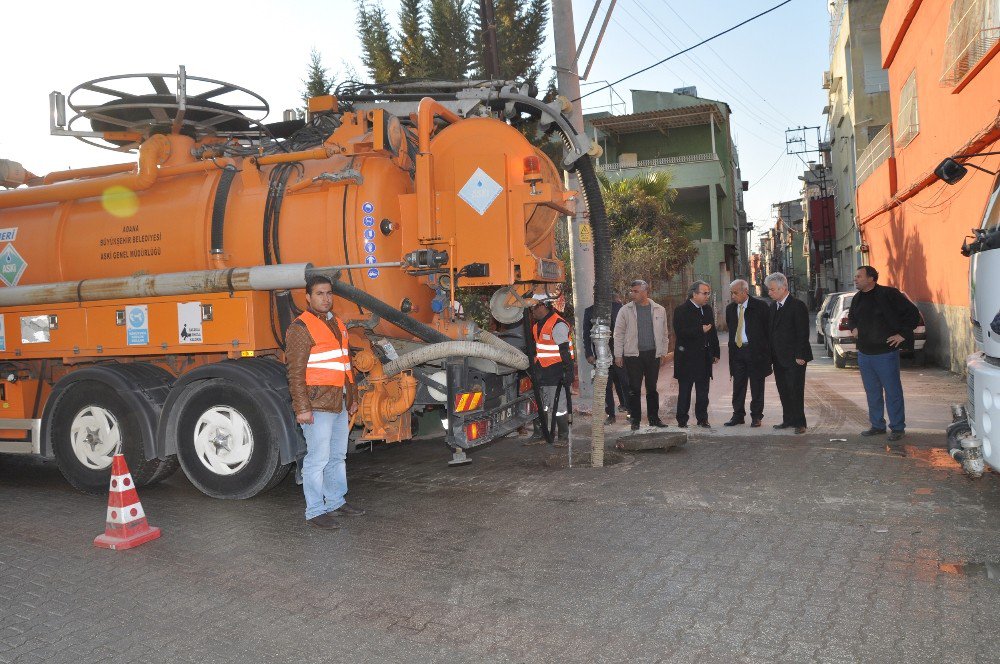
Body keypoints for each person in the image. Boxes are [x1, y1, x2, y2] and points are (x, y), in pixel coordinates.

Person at [285, 275, 363, 529]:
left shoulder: (337, 324)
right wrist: (302, 408)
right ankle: (315, 510)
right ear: (307, 297)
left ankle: (336, 501)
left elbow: (346, 364)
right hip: (317, 405)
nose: (325, 298)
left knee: (337, 456)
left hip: (338, 402)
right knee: (318, 458)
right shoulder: (300, 328)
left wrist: (352, 398)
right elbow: (295, 372)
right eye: (319, 293)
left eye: (329, 293)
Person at [847, 265, 921, 441]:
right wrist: (854, 327)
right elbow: (851, 317)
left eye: (859, 276)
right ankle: (877, 425)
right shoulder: (857, 298)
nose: (855, 279)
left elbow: (913, 313)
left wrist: (902, 334)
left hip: (885, 354)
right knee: (872, 392)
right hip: (865, 354)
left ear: (871, 278)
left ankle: (897, 428)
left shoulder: (889, 294)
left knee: (892, 392)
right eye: (855, 276)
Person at [614, 280, 671, 430]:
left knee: (652, 388)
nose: (632, 294)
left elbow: (665, 333)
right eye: (631, 291)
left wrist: (663, 352)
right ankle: (635, 420)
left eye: (636, 291)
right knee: (634, 388)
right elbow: (618, 334)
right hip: (633, 355)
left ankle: (654, 419)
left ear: (646, 292)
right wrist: (618, 355)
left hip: (653, 355)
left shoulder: (659, 309)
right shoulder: (625, 310)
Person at [765, 272, 812, 434]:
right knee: (783, 389)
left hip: (794, 358)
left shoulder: (797, 306)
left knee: (795, 389)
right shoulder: (773, 307)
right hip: (778, 357)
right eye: (768, 290)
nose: (769, 293)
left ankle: (800, 423)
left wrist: (801, 355)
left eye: (772, 290)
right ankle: (788, 419)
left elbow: (802, 333)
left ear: (783, 288)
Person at [672, 280, 721, 428]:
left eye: (708, 293)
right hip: (687, 358)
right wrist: (700, 330)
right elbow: (680, 333)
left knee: (702, 392)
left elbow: (712, 332)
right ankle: (682, 420)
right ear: (694, 294)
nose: (707, 296)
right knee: (685, 391)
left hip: (704, 358)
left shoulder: (707, 310)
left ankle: (702, 418)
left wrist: (715, 351)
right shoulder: (681, 310)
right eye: (704, 293)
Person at [724, 279, 772, 427]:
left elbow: (768, 331)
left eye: (735, 293)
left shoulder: (760, 307)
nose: (733, 296)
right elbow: (732, 330)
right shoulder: (730, 309)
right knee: (738, 385)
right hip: (737, 352)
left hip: (755, 352)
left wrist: (766, 353)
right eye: (731, 293)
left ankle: (756, 416)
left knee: (757, 385)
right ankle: (738, 415)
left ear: (745, 291)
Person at [530, 293, 575, 443]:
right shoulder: (537, 326)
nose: (531, 311)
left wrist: (569, 373)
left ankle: (563, 437)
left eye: (533, 307)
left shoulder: (558, 324)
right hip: (542, 372)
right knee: (542, 405)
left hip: (556, 372)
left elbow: (565, 352)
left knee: (559, 406)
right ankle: (542, 434)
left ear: (542, 306)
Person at [584, 293, 630, 424]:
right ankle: (611, 414)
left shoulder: (618, 308)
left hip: (620, 353)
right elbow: (586, 334)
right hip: (600, 355)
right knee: (605, 385)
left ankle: (630, 412)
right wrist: (589, 353)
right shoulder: (589, 312)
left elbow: (627, 330)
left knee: (626, 383)